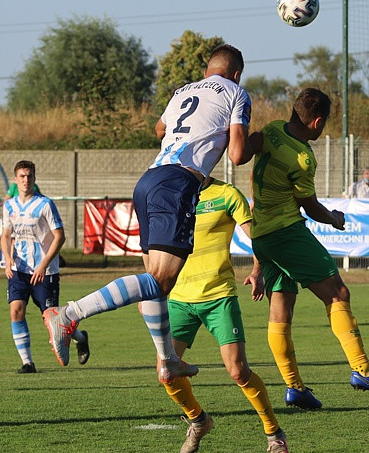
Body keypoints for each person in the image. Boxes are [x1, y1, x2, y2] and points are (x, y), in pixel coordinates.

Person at [43, 44, 254, 383]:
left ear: (206, 73)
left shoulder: (183, 90)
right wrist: (254, 140)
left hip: (150, 179)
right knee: (160, 280)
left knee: (156, 286)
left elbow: (159, 130)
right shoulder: (236, 93)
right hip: (179, 183)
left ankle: (169, 360)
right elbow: (238, 154)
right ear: (237, 74)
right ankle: (68, 313)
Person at [247, 87, 369, 409]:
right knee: (338, 293)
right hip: (287, 232)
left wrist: (258, 264)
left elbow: (249, 150)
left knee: (281, 310)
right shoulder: (303, 158)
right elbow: (310, 206)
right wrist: (335, 219)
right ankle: (363, 370)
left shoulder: (273, 130)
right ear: (317, 122)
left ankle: (295, 388)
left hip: (262, 236)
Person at [156, 176, 289, 453]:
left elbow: (256, 237)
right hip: (179, 298)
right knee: (166, 372)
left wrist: (258, 270)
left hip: (219, 297)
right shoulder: (169, 193)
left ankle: (274, 435)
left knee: (239, 371)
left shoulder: (227, 194)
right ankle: (198, 420)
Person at [0, 161, 89, 373]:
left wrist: (43, 265)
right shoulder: (9, 206)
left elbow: (60, 236)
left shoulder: (45, 204)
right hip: (19, 269)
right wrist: (7, 258)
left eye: (29, 176)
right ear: (15, 180)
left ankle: (80, 337)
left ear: (34, 178)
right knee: (16, 311)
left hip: (45, 271)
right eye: (21, 176)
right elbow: (5, 234)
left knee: (52, 319)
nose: (25, 180)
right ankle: (27, 362)